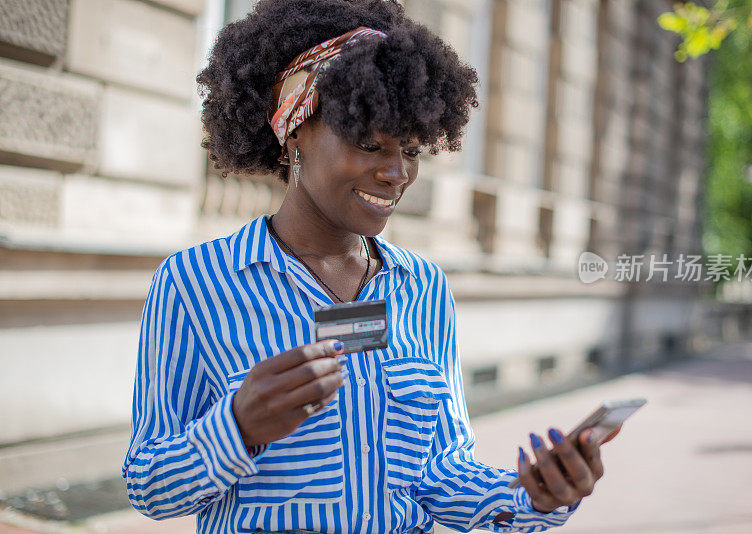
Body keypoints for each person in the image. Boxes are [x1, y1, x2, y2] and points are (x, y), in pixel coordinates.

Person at [122, 1, 618, 532]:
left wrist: (534, 497)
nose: (396, 172)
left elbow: (440, 472)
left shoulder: (423, 289)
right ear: (294, 133)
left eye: (410, 149)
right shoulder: (195, 283)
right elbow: (149, 486)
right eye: (369, 144)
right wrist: (237, 427)